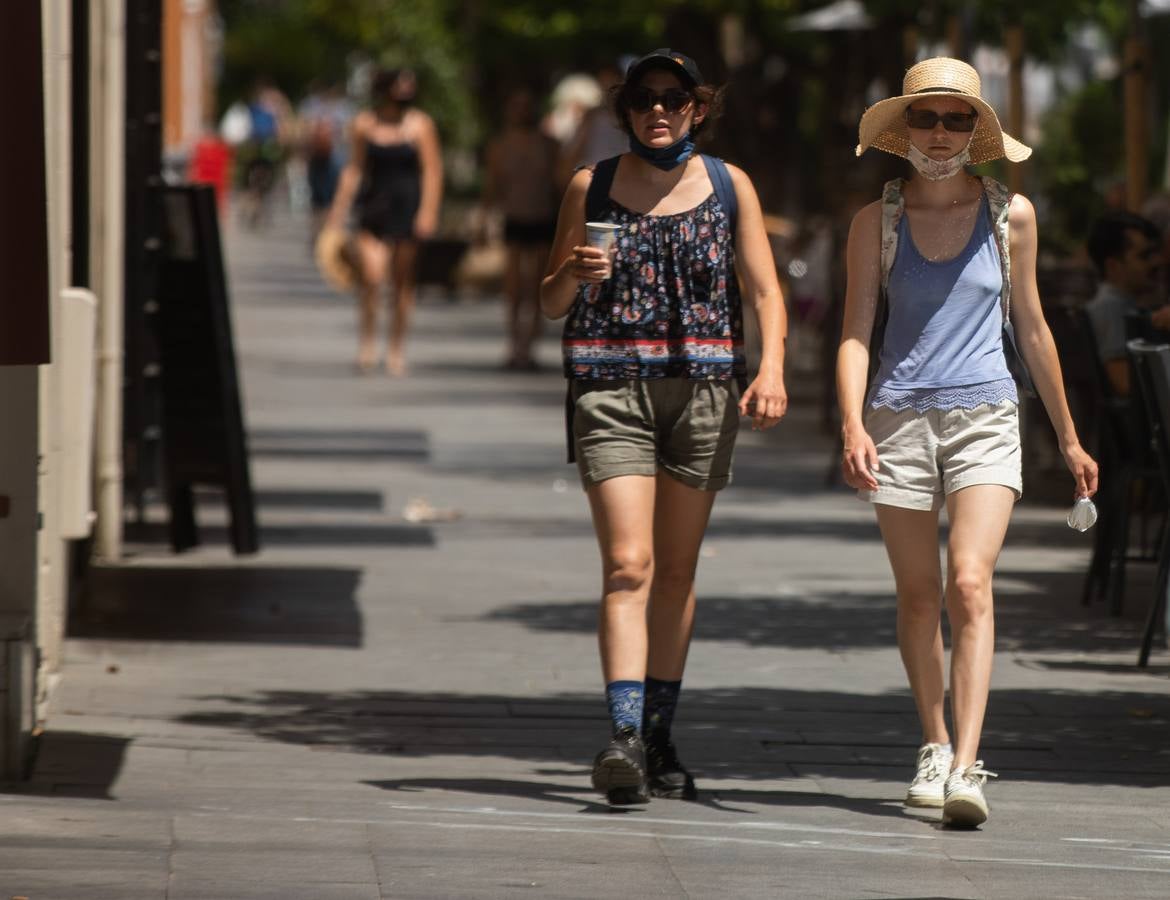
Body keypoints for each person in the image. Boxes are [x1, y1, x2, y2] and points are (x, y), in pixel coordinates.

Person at [837, 58, 1098, 827]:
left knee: (970, 584)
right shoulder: (874, 221)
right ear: (903, 130)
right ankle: (932, 740)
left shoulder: (1010, 215)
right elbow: (855, 330)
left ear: (977, 133)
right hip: (897, 420)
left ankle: (966, 766)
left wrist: (1071, 436)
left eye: (957, 120)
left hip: (987, 415)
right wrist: (853, 422)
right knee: (919, 597)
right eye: (926, 118)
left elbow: (1033, 325)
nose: (941, 133)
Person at [539, 49, 788, 805]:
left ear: (697, 108)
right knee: (629, 565)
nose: (658, 110)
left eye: (673, 97)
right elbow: (550, 302)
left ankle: (657, 735)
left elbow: (766, 293)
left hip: (704, 393)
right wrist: (573, 276)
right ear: (625, 110)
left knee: (676, 573)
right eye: (644, 98)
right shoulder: (594, 185)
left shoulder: (726, 185)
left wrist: (772, 368)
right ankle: (620, 734)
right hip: (610, 388)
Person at [327, 69, 443, 375]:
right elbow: (354, 168)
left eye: (410, 85)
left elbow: (431, 171)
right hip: (374, 206)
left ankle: (396, 347)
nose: (405, 90)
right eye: (399, 84)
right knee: (372, 276)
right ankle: (367, 343)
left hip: (408, 207)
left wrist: (428, 212)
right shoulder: (365, 123)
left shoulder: (420, 124)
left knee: (402, 283)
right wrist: (338, 210)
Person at [484, 88, 561, 371]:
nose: (522, 111)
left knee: (539, 283)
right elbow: (492, 184)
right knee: (514, 286)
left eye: (526, 105)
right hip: (515, 216)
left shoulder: (549, 144)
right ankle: (515, 343)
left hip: (543, 217)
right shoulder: (500, 144)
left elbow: (559, 184)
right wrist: (484, 218)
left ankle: (531, 344)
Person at [1085, 211, 1168, 395]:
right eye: (1145, 255)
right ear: (1113, 266)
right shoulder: (1111, 307)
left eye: (1156, 253)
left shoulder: (1124, 304)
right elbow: (1126, 384)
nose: (1158, 262)